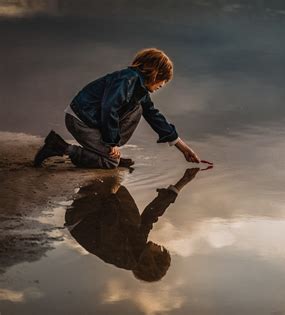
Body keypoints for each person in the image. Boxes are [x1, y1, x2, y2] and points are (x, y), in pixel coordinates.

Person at [34, 48, 203, 169]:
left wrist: (184, 149)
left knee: (141, 108)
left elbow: (154, 116)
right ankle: (60, 147)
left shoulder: (140, 89)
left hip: (93, 121)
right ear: (155, 73)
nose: (163, 85)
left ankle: (103, 152)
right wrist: (111, 142)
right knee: (111, 163)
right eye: (163, 80)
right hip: (80, 120)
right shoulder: (127, 79)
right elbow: (109, 108)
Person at [64, 168, 201, 282]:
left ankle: (105, 184)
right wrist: (181, 184)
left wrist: (111, 194)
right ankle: (104, 184)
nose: (160, 247)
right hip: (91, 215)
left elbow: (109, 226)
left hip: (79, 218)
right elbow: (151, 215)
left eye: (159, 252)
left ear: (150, 260)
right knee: (136, 221)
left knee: (132, 220)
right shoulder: (138, 248)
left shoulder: (125, 258)